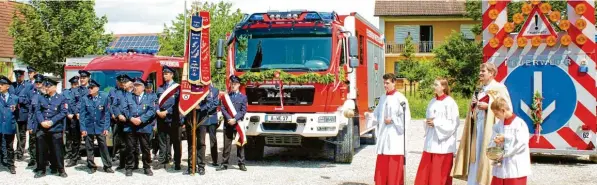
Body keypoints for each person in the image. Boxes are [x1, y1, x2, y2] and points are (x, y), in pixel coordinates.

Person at [452, 63, 512, 185]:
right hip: (477, 128)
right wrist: (473, 106)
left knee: (486, 157)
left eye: (483, 71)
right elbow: (473, 111)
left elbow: (508, 109)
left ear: (491, 73)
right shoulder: (479, 89)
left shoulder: (499, 88)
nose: (480, 73)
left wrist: (488, 106)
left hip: (490, 129)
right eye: (480, 71)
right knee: (475, 157)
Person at [365, 73, 411, 185]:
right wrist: (369, 116)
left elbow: (406, 118)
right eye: (384, 83)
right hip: (384, 137)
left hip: (395, 137)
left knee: (393, 166)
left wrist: (393, 120)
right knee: (383, 165)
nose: (385, 85)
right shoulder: (383, 97)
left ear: (394, 82)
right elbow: (377, 115)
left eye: (387, 83)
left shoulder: (400, 98)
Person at [414, 78, 460, 185]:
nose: (434, 86)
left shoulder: (450, 102)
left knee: (438, 175)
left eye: (436, 84)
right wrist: (427, 121)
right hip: (431, 142)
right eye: (434, 84)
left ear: (443, 87)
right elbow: (429, 117)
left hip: (443, 145)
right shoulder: (432, 101)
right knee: (426, 174)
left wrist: (436, 123)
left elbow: (454, 123)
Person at [487, 97, 530, 185]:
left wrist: (505, 139)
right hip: (501, 166)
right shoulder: (499, 124)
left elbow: (522, 143)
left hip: (514, 165)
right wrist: (496, 142)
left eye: (496, 113)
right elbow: (493, 138)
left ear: (503, 110)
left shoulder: (519, 124)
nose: (495, 116)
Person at [33, 77, 68, 178]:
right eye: (46, 86)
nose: (46, 88)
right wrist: (42, 121)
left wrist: (52, 121)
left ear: (55, 87)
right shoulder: (41, 97)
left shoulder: (61, 98)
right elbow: (38, 111)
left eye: (49, 86)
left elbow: (63, 112)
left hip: (55, 128)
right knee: (41, 150)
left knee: (57, 150)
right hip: (43, 128)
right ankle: (41, 169)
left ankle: (60, 169)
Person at [122, 77, 156, 176]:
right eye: (134, 85)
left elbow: (152, 111)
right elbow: (125, 109)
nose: (135, 87)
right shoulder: (128, 96)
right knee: (130, 148)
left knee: (145, 148)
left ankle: (147, 167)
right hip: (130, 125)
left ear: (143, 87)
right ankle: (129, 167)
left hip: (144, 126)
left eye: (137, 85)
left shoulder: (149, 97)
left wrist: (141, 119)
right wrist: (131, 118)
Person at [79, 79, 114, 173]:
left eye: (91, 87)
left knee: (103, 146)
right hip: (88, 126)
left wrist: (106, 127)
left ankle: (107, 166)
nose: (89, 89)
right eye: (89, 87)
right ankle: (91, 166)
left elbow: (106, 114)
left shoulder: (104, 97)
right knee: (89, 147)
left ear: (97, 88)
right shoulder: (85, 98)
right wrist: (83, 128)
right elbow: (82, 115)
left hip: (100, 126)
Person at [185, 84, 219, 175]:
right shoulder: (189, 87)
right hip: (190, 118)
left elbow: (210, 103)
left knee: (201, 143)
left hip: (202, 118)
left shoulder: (206, 88)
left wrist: (200, 107)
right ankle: (191, 166)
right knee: (191, 143)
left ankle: (201, 166)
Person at [217, 75, 248, 172]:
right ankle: (224, 164)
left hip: (238, 123)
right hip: (228, 123)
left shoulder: (243, 97)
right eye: (232, 84)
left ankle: (241, 163)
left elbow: (243, 111)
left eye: (235, 84)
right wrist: (229, 118)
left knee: (240, 144)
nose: (233, 85)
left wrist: (235, 119)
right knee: (227, 145)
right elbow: (223, 108)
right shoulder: (226, 96)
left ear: (239, 85)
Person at [156, 66, 182, 170]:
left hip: (173, 118)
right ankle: (162, 160)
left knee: (175, 140)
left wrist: (167, 112)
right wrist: (158, 111)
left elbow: (178, 103)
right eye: (163, 73)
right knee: (162, 140)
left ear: (172, 75)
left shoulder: (178, 88)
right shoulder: (160, 88)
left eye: (166, 73)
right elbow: (155, 101)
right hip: (161, 118)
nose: (164, 75)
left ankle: (177, 162)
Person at [10, 70, 31, 161]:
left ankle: (19, 152)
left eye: (20, 76)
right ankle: (10, 152)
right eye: (17, 76)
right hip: (12, 113)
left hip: (22, 112)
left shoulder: (28, 86)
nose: (18, 78)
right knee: (11, 133)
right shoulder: (12, 85)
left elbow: (29, 100)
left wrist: (19, 100)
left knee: (22, 134)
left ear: (23, 76)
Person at [26, 74, 46, 168]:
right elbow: (30, 111)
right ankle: (33, 159)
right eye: (36, 82)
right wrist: (29, 125)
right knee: (32, 141)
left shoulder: (46, 92)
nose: (38, 84)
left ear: (43, 83)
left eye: (39, 82)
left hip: (44, 120)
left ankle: (45, 159)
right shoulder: (31, 92)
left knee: (44, 140)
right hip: (34, 121)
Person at [0, 75, 18, 174]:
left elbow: (17, 113)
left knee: (10, 146)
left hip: (9, 125)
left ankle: (11, 165)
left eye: (2, 84)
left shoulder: (15, 98)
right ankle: (1, 162)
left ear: (7, 86)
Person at [64, 76, 82, 167]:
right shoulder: (66, 92)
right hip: (68, 118)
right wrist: (67, 113)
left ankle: (76, 155)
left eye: (76, 84)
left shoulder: (81, 92)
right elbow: (63, 104)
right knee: (68, 136)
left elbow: (80, 104)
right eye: (74, 84)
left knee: (77, 138)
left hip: (77, 118)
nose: (75, 86)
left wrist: (75, 113)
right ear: (71, 84)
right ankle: (68, 152)